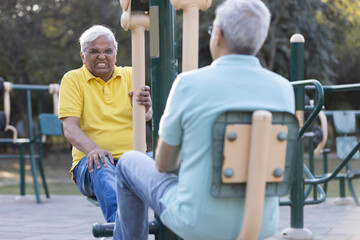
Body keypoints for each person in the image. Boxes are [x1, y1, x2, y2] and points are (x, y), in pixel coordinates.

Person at [113, 0, 295, 239]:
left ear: (217, 35)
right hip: (262, 222)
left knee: (128, 161)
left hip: (198, 221)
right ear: (260, 42)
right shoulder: (283, 89)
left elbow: (164, 164)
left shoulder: (189, 84)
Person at [58, 25, 152, 223]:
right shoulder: (73, 79)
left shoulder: (131, 75)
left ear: (115, 54)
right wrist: (94, 150)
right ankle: (122, 229)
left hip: (133, 159)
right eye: (94, 51)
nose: (102, 56)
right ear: (83, 56)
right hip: (92, 164)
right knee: (101, 164)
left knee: (168, 164)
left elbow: (146, 116)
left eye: (107, 51)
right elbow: (70, 128)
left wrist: (146, 108)